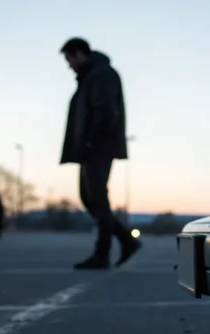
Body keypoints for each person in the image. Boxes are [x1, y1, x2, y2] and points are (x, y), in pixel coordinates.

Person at [59, 37, 142, 269]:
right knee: (90, 198)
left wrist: (90, 141)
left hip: (98, 146)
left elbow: (106, 110)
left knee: (97, 198)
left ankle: (103, 253)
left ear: (79, 54)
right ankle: (125, 241)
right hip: (94, 146)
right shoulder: (91, 76)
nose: (69, 65)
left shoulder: (102, 74)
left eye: (69, 59)